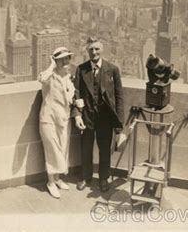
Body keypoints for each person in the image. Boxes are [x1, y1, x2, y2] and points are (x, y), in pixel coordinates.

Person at [72, 37, 124, 192]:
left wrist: (119, 123)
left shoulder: (112, 69)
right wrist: (77, 115)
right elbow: (76, 94)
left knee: (104, 149)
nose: (94, 52)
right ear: (87, 51)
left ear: (102, 49)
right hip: (87, 116)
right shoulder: (81, 69)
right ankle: (86, 177)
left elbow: (119, 96)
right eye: (91, 49)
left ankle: (103, 179)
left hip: (105, 119)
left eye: (97, 49)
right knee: (85, 148)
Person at [38, 47, 75, 199]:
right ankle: (51, 182)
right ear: (56, 61)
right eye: (62, 59)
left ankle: (58, 178)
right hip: (48, 119)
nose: (66, 61)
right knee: (52, 149)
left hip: (63, 119)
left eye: (67, 58)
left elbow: (69, 97)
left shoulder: (68, 77)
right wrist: (52, 65)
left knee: (63, 148)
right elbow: (41, 78)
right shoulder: (49, 77)